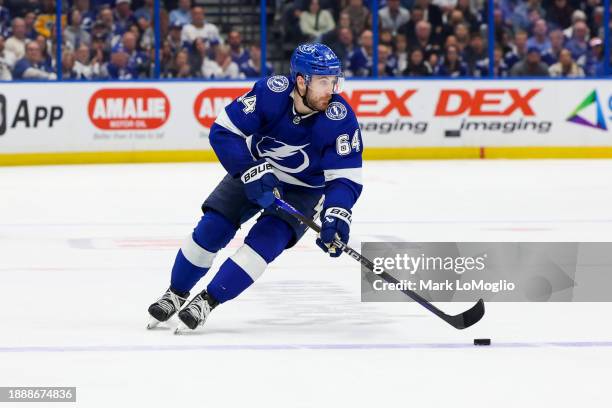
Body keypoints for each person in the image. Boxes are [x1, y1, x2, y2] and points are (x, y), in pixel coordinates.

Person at [147, 43, 363, 332]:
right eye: (323, 82)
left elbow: (345, 177)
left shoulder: (340, 119)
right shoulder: (270, 93)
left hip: (303, 190)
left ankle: (207, 301)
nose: (331, 89)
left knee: (264, 245)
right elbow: (224, 131)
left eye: (334, 81)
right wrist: (249, 171)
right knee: (212, 229)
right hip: (255, 169)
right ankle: (175, 293)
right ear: (300, 81)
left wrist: (337, 214)